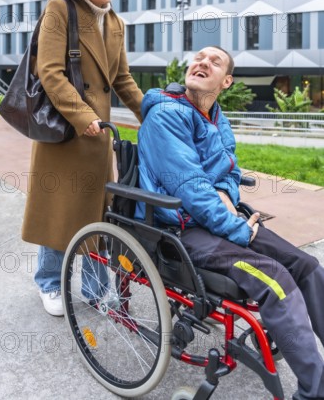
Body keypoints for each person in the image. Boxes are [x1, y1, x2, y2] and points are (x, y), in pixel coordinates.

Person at [136, 46, 324, 400]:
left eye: (215, 61)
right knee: (277, 280)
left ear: (226, 81)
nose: (202, 62)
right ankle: (315, 391)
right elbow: (190, 188)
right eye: (199, 57)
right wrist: (237, 226)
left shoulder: (215, 116)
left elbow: (229, 169)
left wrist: (226, 195)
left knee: (307, 265)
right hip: (182, 228)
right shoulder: (165, 115)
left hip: (216, 218)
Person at [22, 0, 143, 317]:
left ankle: (94, 288)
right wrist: (81, 115)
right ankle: (49, 282)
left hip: (97, 136)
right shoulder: (60, 10)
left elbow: (121, 79)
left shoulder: (116, 23)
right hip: (66, 132)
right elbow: (50, 72)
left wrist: (150, 113)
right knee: (60, 212)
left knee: (97, 214)